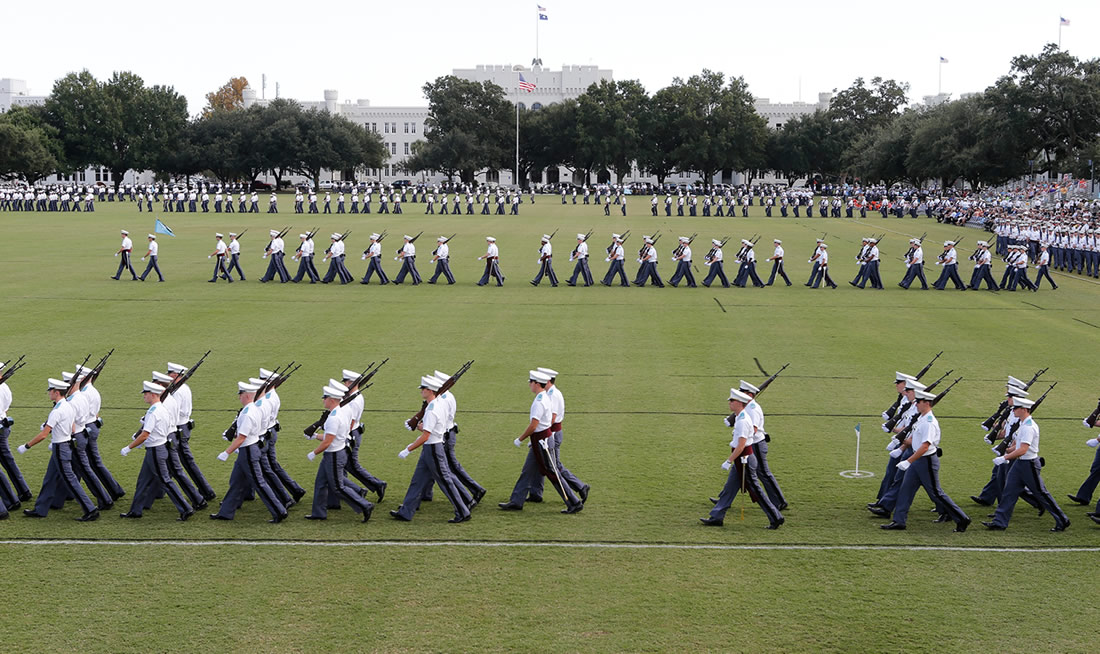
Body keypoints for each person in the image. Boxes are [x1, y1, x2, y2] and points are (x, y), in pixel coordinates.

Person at [878, 391, 971, 531]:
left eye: (919, 401)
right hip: (917, 459)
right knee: (906, 489)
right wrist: (898, 441)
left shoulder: (929, 422)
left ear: (926, 403)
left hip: (925, 461)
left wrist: (908, 461)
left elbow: (925, 446)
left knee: (936, 493)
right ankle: (899, 521)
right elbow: (914, 440)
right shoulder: (921, 418)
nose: (916, 403)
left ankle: (962, 518)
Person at [499, 370, 583, 514]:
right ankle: (516, 501)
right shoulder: (545, 397)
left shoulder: (539, 401)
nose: (529, 385)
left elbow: (534, 425)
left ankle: (573, 502)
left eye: (531, 382)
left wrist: (520, 439)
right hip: (541, 439)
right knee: (527, 471)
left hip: (542, 441)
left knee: (552, 473)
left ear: (537, 384)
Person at [391, 375, 471, 523]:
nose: (421, 391)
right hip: (431, 448)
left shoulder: (432, 409)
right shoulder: (436, 404)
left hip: (433, 449)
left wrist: (408, 449)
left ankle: (463, 511)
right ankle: (406, 511)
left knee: (445, 481)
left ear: (430, 390)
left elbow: (426, 436)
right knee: (417, 480)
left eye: (423, 389)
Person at [699, 388, 783, 528]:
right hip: (742, 459)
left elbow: (741, 445)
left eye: (732, 400)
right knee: (729, 489)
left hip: (744, 459)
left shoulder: (743, 420)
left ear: (739, 402)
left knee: (756, 490)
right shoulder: (739, 416)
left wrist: (729, 460)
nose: (729, 403)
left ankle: (776, 517)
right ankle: (716, 517)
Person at [983, 397, 1070, 531]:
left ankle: (1062, 519)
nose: (1013, 410)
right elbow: (1017, 446)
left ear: (1024, 409)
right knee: (1009, 491)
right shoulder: (1022, 425)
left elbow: (1023, 450)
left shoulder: (1028, 427)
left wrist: (1004, 457)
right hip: (1020, 464)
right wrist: (1005, 450)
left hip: (1029, 465)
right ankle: (999, 522)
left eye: (1016, 408)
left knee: (1041, 493)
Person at [18, 378, 99, 521]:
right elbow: (73, 427)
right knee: (49, 478)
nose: (49, 393)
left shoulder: (57, 410)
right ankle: (40, 509)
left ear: (56, 392)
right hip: (64, 444)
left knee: (70, 480)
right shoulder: (67, 406)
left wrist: (27, 446)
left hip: (60, 447)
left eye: (50, 391)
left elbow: (43, 435)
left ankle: (90, 509)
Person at [209, 382, 288, 523]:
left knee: (259, 483)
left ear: (246, 395)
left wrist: (226, 452)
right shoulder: (253, 408)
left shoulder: (247, 413)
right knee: (236, 482)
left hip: (249, 451)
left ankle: (279, 511)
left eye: (240, 394)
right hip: (249, 449)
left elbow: (242, 437)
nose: (239, 397)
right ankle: (226, 512)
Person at [118, 380, 194, 520]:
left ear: (153, 394)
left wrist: (129, 447)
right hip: (157, 449)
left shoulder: (153, 412)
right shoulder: (161, 409)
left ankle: (185, 508)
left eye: (145, 394)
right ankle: (135, 510)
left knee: (165, 481)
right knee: (142, 481)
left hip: (155, 450)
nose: (144, 396)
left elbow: (145, 434)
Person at [303, 383, 375, 522]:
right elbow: (332, 436)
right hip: (336, 450)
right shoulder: (342, 411)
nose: (323, 400)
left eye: (325, 398)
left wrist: (314, 452)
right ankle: (318, 512)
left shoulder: (333, 417)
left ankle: (365, 505)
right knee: (320, 482)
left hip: (334, 454)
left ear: (332, 400)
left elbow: (328, 441)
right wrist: (315, 436)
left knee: (337, 487)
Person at [419, 370, 485, 507]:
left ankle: (474, 491)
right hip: (444, 434)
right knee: (432, 466)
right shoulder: (445, 396)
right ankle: (424, 494)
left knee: (449, 468)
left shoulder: (443, 399)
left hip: (443, 436)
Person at [524, 368, 588, 505]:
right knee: (539, 463)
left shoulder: (551, 395)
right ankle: (535, 493)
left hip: (550, 435)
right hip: (546, 436)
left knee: (554, 466)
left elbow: (551, 418)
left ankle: (579, 487)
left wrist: (546, 436)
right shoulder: (550, 393)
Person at [166, 362, 216, 502]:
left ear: (175, 375)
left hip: (178, 428)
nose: (168, 376)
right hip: (184, 426)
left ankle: (206, 491)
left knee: (184, 462)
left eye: (169, 373)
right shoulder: (184, 388)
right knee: (176, 462)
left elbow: (174, 412)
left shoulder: (177, 391)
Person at [336, 370, 386, 501]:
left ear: (352, 383)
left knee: (353, 466)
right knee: (343, 465)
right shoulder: (351, 397)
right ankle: (347, 491)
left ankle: (377, 484)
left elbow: (350, 423)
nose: (345, 385)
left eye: (346, 382)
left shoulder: (354, 400)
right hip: (352, 432)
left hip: (351, 433)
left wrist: (343, 437)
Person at [0, 361, 32, 506]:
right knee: (8, 461)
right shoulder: (5, 387)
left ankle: (11, 500)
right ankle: (23, 490)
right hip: (3, 424)